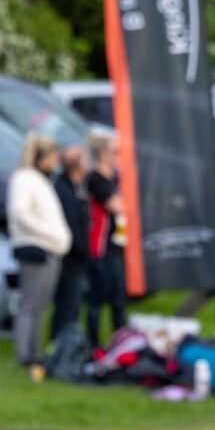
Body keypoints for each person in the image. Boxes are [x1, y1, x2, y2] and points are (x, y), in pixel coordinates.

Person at [7, 133, 71, 382]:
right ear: (42, 156)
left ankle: (35, 351)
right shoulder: (24, 179)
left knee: (40, 305)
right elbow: (20, 213)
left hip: (50, 247)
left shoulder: (39, 180)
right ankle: (25, 353)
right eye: (53, 155)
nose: (56, 160)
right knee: (30, 303)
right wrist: (50, 235)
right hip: (36, 246)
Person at [87, 130, 128, 350]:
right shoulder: (96, 178)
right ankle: (93, 344)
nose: (117, 155)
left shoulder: (115, 177)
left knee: (119, 297)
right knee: (98, 297)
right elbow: (117, 205)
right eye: (114, 151)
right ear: (103, 153)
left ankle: (121, 342)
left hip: (117, 245)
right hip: (100, 247)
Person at [51, 142, 91, 340]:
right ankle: (60, 347)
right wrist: (84, 249)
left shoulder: (76, 187)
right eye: (85, 158)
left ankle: (67, 345)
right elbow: (71, 227)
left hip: (77, 258)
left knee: (73, 305)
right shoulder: (64, 190)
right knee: (66, 305)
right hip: (70, 259)